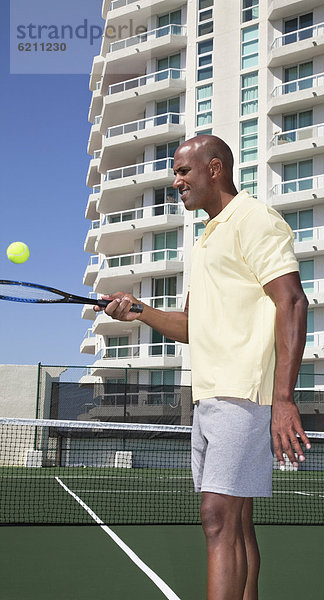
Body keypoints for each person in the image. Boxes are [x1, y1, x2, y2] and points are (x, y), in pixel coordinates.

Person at [95, 135, 311, 600]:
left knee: (216, 517)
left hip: (243, 394)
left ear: (215, 169)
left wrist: (284, 399)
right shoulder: (207, 237)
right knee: (234, 522)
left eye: (183, 171)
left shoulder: (254, 219)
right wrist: (139, 310)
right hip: (210, 396)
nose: (176, 182)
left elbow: (291, 301)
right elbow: (193, 325)